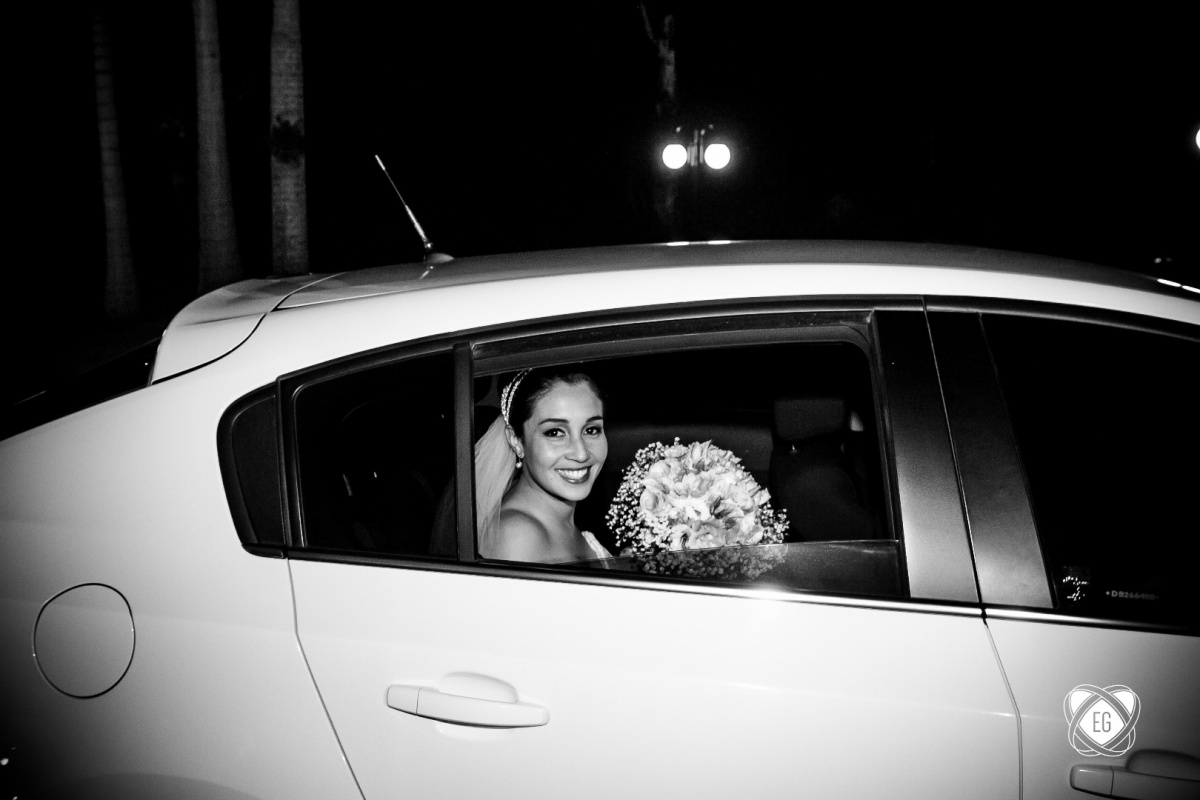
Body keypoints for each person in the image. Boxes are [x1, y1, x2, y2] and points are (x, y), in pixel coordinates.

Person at [474, 366, 611, 562]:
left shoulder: (556, 520)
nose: (581, 454)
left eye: (591, 430)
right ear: (516, 440)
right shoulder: (518, 536)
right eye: (555, 433)